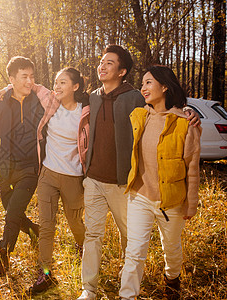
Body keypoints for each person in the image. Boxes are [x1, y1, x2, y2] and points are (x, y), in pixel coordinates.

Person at [77, 45, 199, 300]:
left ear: (122, 71)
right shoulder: (101, 99)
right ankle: (100, 291)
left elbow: (190, 162)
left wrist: (190, 112)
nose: (102, 66)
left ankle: (170, 277)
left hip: (138, 188)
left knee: (153, 244)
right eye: (101, 61)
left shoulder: (138, 101)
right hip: (111, 184)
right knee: (113, 241)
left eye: (109, 62)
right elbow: (64, 94)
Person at [119, 65, 201, 300]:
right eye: (142, 83)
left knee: (172, 249)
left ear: (164, 86)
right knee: (134, 252)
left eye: (149, 83)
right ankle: (127, 296)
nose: (143, 88)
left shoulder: (185, 123)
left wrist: (190, 205)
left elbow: (192, 169)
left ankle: (172, 278)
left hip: (171, 200)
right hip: (140, 196)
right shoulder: (140, 116)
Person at [27, 67, 89, 295]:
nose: (58, 86)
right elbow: (31, 86)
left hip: (73, 178)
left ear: (75, 86)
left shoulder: (86, 112)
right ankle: (46, 274)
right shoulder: (51, 103)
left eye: (63, 82)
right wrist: (6, 89)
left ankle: (83, 247)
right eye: (56, 82)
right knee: (46, 226)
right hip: (48, 175)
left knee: (76, 224)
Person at [0, 56, 42, 277]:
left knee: (11, 214)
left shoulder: (39, 102)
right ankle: (34, 231)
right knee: (12, 211)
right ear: (11, 79)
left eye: (32, 76)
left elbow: (55, 93)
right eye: (24, 77)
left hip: (30, 168)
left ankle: (2, 257)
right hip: (5, 168)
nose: (29, 81)